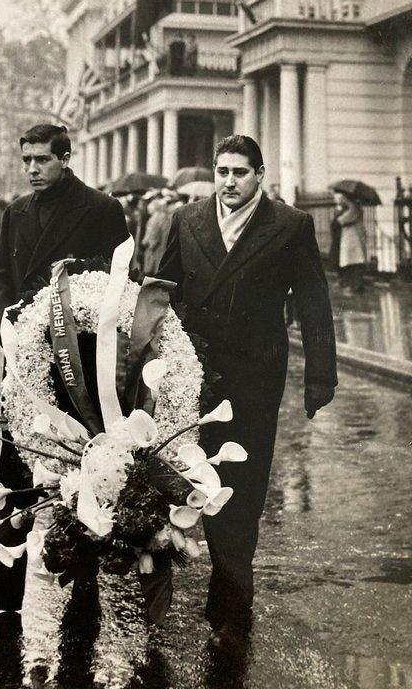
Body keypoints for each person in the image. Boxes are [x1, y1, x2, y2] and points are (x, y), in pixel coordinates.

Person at [155, 134, 337, 644]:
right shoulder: (188, 220)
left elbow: (313, 301)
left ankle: (233, 607)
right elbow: (163, 291)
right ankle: (209, 591)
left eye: (240, 172)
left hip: (255, 376)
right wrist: (143, 357)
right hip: (195, 372)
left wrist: (319, 376)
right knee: (190, 476)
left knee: (242, 486)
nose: (229, 181)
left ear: (260, 175)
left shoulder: (289, 225)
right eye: (221, 171)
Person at [0, 123, 128, 614]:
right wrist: (7, 330)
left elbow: (116, 282)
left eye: (42, 161)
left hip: (78, 365)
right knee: (14, 465)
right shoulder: (16, 213)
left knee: (81, 469)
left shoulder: (101, 210)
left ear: (65, 158)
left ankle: (83, 585)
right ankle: (0, 583)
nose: (32, 169)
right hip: (24, 363)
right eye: (27, 160)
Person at [334, 192, 366, 293]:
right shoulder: (353, 207)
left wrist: (340, 210)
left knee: (354, 261)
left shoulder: (353, 208)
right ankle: (354, 285)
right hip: (351, 236)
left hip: (353, 237)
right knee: (352, 261)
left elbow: (341, 220)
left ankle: (356, 286)